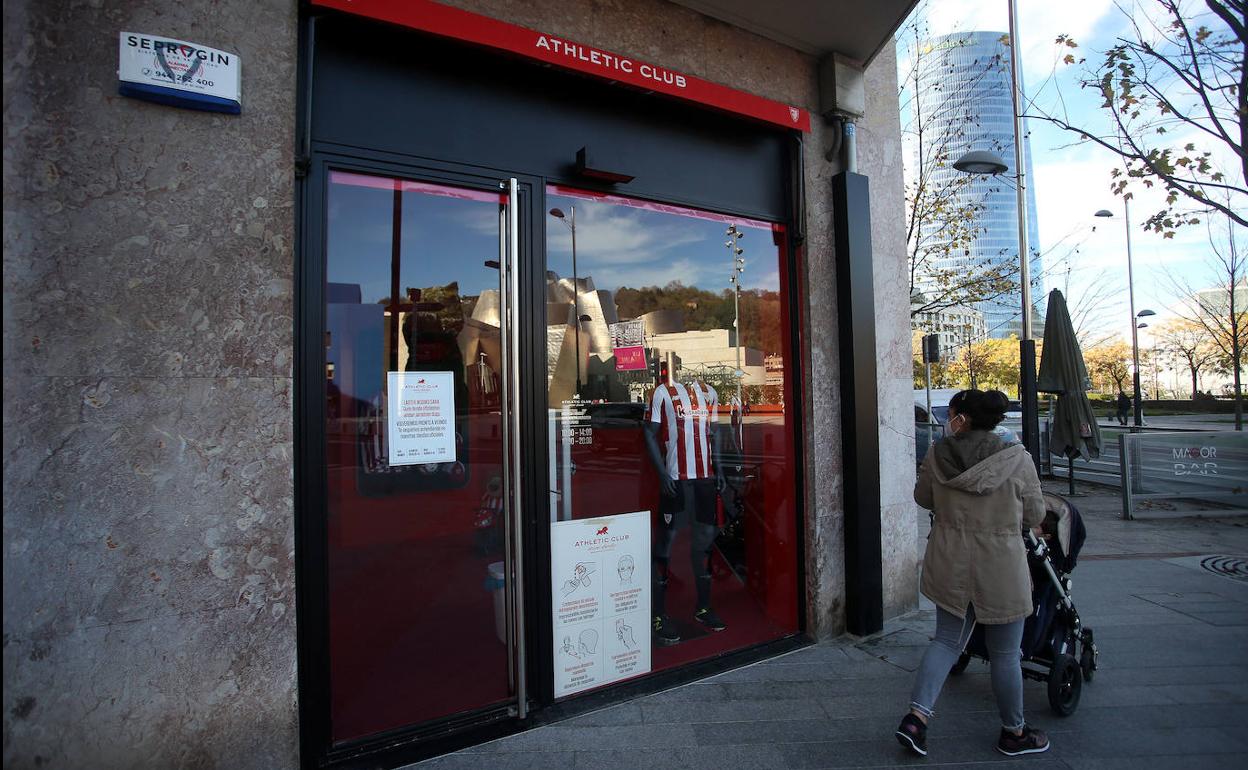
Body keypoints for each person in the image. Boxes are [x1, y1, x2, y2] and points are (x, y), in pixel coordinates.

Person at [895, 389, 1050, 758]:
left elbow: (923, 498)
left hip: (950, 559)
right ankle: (1014, 732)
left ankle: (917, 719)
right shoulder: (1017, 459)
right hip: (1000, 565)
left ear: (962, 418)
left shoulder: (937, 453)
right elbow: (1034, 515)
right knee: (1006, 653)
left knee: (946, 641)